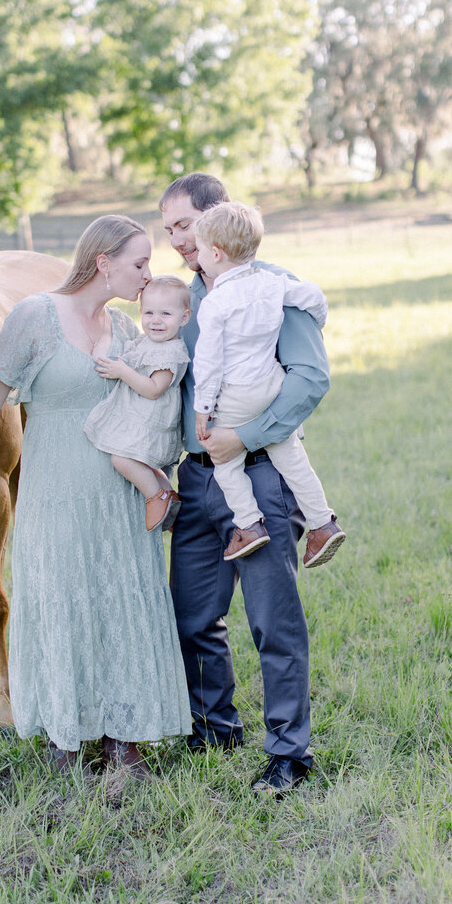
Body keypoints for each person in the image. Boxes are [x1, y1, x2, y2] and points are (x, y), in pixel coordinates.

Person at [0, 215, 192, 780]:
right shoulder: (36, 315)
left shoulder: (130, 329)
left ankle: (124, 739)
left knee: (119, 599)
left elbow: (159, 393)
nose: (148, 274)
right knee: (61, 597)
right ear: (103, 263)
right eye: (138, 263)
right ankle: (67, 735)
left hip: (117, 491)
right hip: (54, 485)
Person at [160, 172, 332, 799]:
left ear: (216, 219)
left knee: (272, 621)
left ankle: (290, 753)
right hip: (197, 478)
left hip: (258, 474)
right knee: (193, 617)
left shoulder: (274, 288)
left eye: (184, 226)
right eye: (170, 229)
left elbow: (310, 379)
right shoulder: (180, 299)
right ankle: (214, 727)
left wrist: (247, 434)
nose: (176, 240)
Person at [192, 200, 346, 566]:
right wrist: (319, 322)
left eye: (198, 249)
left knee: (223, 460)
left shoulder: (215, 302)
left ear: (215, 253)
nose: (196, 256)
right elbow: (314, 298)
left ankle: (248, 525)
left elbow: (209, 363)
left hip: (236, 394)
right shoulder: (273, 283)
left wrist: (203, 408)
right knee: (292, 457)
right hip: (271, 384)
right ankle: (322, 523)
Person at [84, 275, 191, 533]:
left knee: (122, 458)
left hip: (152, 421)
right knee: (143, 463)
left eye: (166, 314)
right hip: (140, 417)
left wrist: (123, 372)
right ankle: (168, 493)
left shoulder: (171, 352)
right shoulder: (150, 341)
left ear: (184, 318)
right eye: (149, 312)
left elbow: (154, 389)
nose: (156, 320)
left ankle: (157, 496)